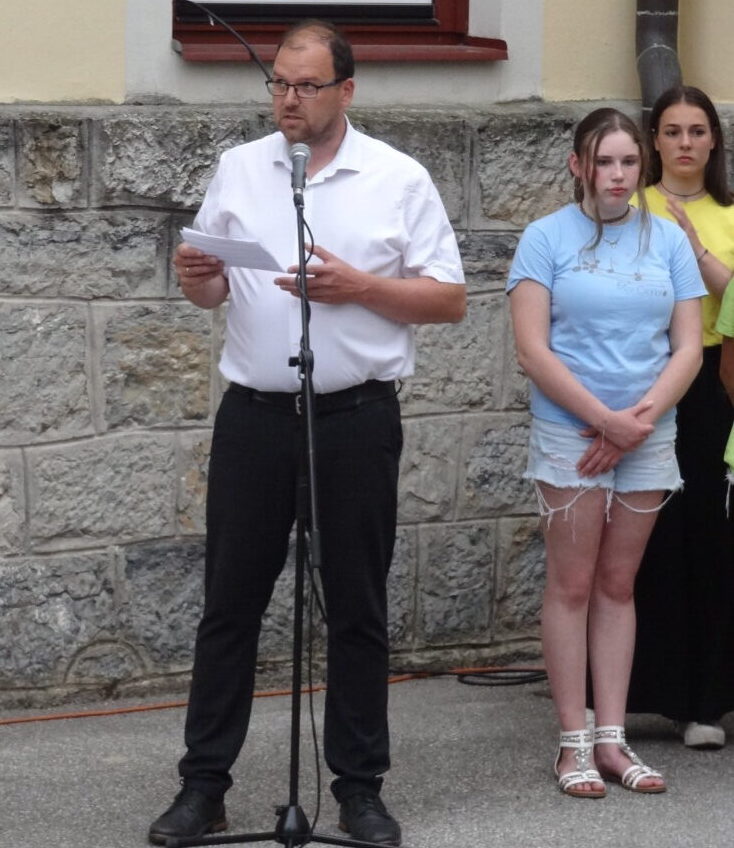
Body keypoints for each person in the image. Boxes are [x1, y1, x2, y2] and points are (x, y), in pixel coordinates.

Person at [148, 19, 465, 846]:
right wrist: (198, 277)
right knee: (229, 606)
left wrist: (360, 288)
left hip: (355, 418)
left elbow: (448, 298)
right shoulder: (239, 167)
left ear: (345, 91)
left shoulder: (397, 177)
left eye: (307, 85)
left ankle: (359, 788)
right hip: (254, 418)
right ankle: (203, 787)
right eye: (280, 84)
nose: (289, 99)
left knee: (356, 607)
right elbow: (212, 294)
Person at [507, 107, 704, 798]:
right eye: (604, 162)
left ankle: (613, 740)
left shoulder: (668, 238)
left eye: (628, 162)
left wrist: (636, 423)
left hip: (647, 433)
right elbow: (532, 350)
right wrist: (602, 422)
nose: (617, 175)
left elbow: (687, 346)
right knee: (572, 584)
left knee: (619, 585)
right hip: (572, 434)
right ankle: (574, 742)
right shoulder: (545, 237)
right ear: (578, 166)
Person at [626, 86, 734, 750]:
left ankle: (706, 703)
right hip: (639, 375)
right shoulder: (629, 203)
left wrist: (693, 247)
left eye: (697, 130)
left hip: (714, 384)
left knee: (709, 536)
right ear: (654, 141)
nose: (685, 143)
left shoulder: (730, 213)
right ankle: (643, 695)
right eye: (672, 131)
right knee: (645, 537)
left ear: (714, 140)